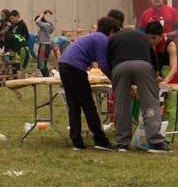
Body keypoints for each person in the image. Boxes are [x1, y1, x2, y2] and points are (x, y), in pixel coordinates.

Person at [56, 17, 120, 150]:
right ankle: (100, 140)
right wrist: (115, 79)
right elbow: (104, 64)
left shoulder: (94, 36)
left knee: (73, 104)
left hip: (64, 65)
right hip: (75, 68)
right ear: (112, 31)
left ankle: (76, 141)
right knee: (88, 105)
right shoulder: (102, 39)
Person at [105, 25, 169, 153]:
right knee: (150, 103)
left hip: (120, 67)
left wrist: (115, 75)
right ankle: (156, 143)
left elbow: (108, 58)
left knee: (121, 104)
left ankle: (122, 143)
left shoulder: (113, 38)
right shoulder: (144, 37)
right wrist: (156, 73)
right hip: (144, 66)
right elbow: (153, 56)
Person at [33, 10, 55, 77]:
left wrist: (42, 15)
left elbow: (37, 22)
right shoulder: (43, 28)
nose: (37, 24)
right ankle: (46, 78)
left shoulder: (46, 25)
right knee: (41, 64)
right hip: (43, 45)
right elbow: (38, 39)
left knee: (42, 64)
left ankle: (47, 78)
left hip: (44, 46)